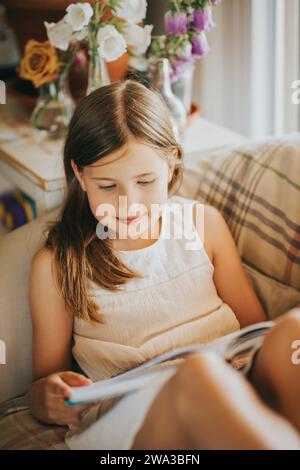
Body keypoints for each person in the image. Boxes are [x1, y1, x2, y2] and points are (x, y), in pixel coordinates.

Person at [26, 80, 300, 450]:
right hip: (136, 416)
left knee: (290, 332)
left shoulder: (204, 225)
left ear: (171, 164)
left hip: (232, 376)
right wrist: (48, 397)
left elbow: (254, 329)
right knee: (199, 374)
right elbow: (44, 383)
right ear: (79, 175)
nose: (129, 203)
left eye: (145, 181)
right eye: (108, 186)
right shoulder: (58, 265)